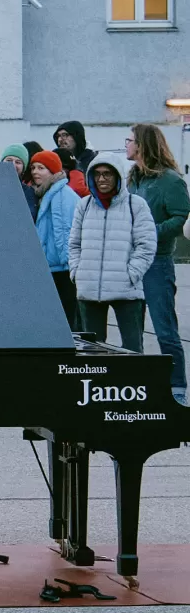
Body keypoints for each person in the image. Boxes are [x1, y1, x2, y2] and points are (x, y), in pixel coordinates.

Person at [127, 123, 188, 404]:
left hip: (157, 262)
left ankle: (177, 388)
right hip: (131, 262)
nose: (126, 145)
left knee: (164, 327)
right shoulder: (133, 179)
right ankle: (135, 385)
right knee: (132, 327)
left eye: (130, 140)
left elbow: (180, 217)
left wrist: (151, 234)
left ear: (143, 145)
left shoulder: (170, 180)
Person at [68, 158, 155, 352]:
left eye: (107, 173)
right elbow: (74, 244)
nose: (102, 179)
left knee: (133, 349)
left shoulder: (136, 204)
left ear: (117, 176)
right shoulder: (84, 205)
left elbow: (146, 245)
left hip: (126, 291)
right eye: (97, 174)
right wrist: (77, 272)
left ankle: (132, 382)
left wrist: (131, 274)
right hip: (89, 289)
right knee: (92, 350)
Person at [31, 151, 81, 328]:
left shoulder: (63, 196)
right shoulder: (44, 193)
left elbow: (65, 231)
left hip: (61, 268)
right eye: (33, 167)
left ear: (53, 171)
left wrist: (67, 262)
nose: (35, 172)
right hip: (51, 266)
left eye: (41, 168)